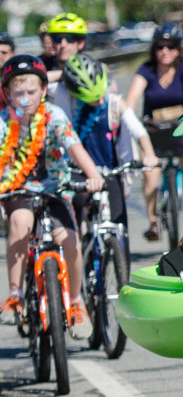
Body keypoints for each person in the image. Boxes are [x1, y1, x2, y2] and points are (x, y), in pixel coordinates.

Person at [0, 55, 105, 336]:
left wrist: (93, 175)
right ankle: (15, 297)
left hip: (55, 189)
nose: (25, 99)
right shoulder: (3, 122)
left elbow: (74, 147)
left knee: (69, 240)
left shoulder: (54, 115)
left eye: (31, 92)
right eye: (18, 93)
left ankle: (75, 303)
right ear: (7, 94)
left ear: (43, 90)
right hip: (18, 190)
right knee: (20, 222)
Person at [60, 53, 160, 261]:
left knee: (119, 222)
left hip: (110, 170)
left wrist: (149, 153)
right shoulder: (68, 103)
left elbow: (138, 129)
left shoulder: (115, 103)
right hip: (80, 172)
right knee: (76, 208)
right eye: (92, 97)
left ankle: (121, 266)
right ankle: (77, 257)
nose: (99, 100)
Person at [124, 23, 183, 241]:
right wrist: (127, 117)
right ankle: (153, 221)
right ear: (154, 48)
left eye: (171, 46)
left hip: (181, 126)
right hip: (153, 130)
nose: (165, 51)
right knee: (150, 174)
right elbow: (132, 99)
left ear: (178, 48)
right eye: (160, 46)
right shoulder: (146, 69)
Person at [44, 12, 88, 83]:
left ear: (81, 43)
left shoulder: (91, 67)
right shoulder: (42, 65)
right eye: (58, 39)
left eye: (70, 39)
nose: (63, 44)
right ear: (52, 43)